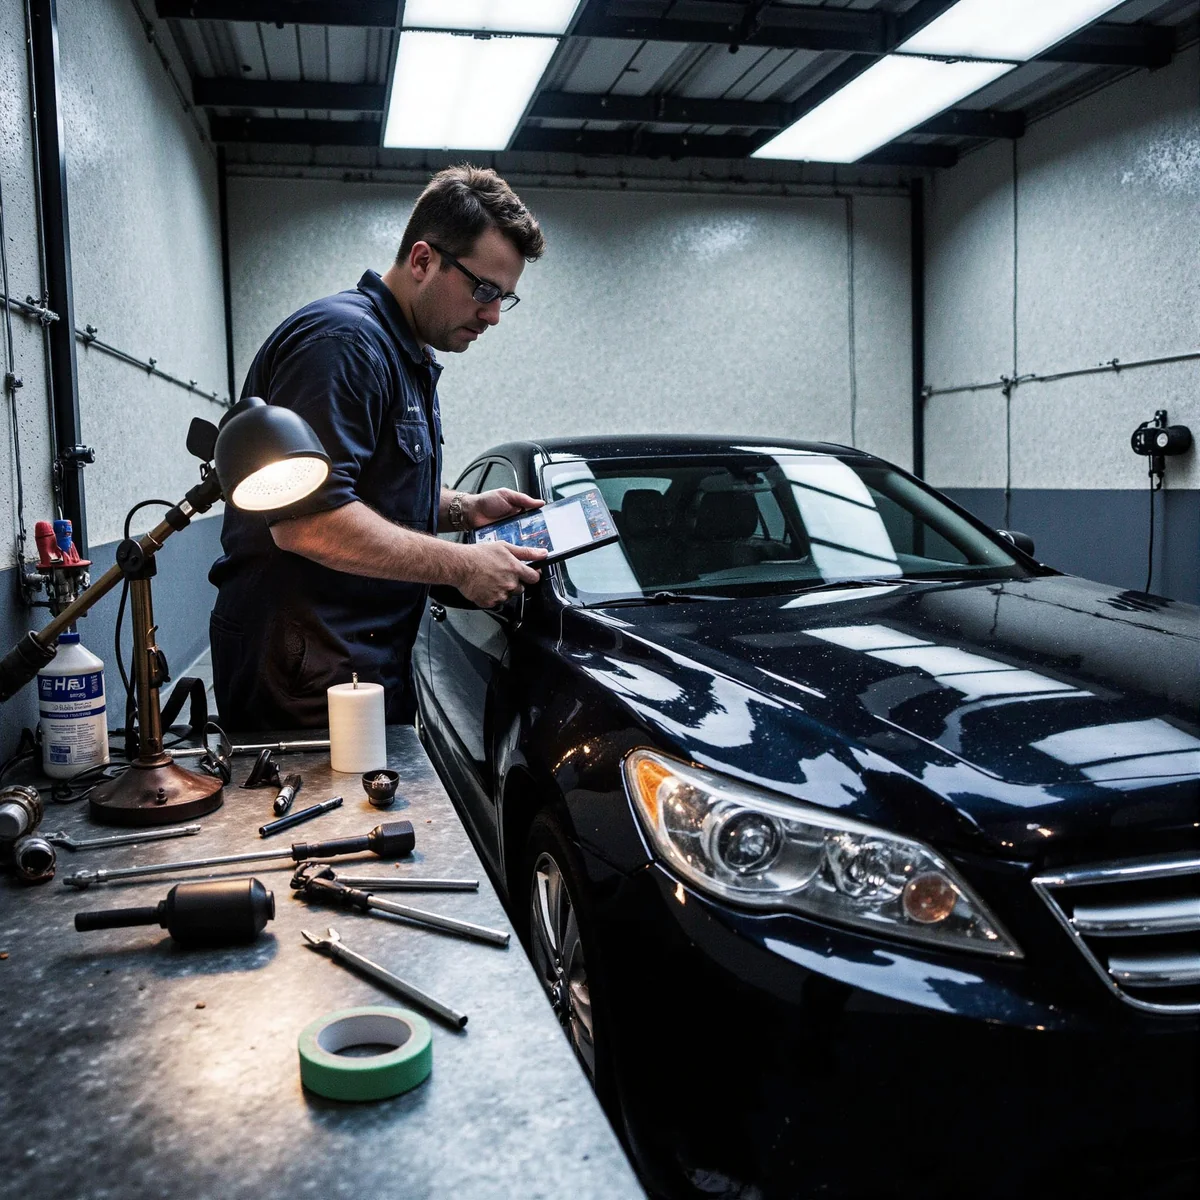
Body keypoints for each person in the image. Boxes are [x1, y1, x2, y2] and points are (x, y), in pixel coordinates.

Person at [208, 165, 546, 731]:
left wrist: (464, 508)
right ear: (422, 261)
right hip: (304, 669)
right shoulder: (344, 345)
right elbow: (306, 522)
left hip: (350, 659)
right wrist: (461, 564)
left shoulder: (402, 354)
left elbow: (367, 486)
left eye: (503, 299)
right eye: (484, 290)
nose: (491, 315)